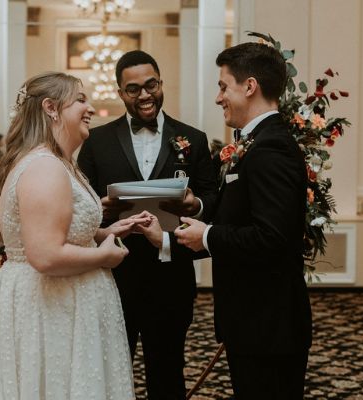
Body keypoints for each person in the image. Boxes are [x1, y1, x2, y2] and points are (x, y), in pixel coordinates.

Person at [0, 72, 154, 399]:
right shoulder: (45, 167)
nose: (91, 107)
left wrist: (103, 233)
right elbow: (45, 255)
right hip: (50, 306)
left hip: (61, 301)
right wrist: (107, 256)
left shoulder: (58, 163)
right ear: (51, 108)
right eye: (81, 99)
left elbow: (58, 233)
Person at [174, 42, 312, 399]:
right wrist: (199, 210)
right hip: (253, 321)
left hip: (269, 324)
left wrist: (208, 237)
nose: (219, 97)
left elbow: (272, 237)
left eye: (223, 86)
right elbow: (243, 213)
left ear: (249, 86)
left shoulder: (271, 148)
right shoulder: (255, 143)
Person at [77, 50, 217, 399]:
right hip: (113, 275)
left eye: (151, 85)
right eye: (133, 88)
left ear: (160, 83)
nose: (144, 95)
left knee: (168, 369)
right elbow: (78, 201)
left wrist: (195, 203)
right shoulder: (95, 141)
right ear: (120, 92)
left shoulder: (193, 138)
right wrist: (101, 207)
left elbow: (213, 200)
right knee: (109, 368)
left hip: (171, 275)